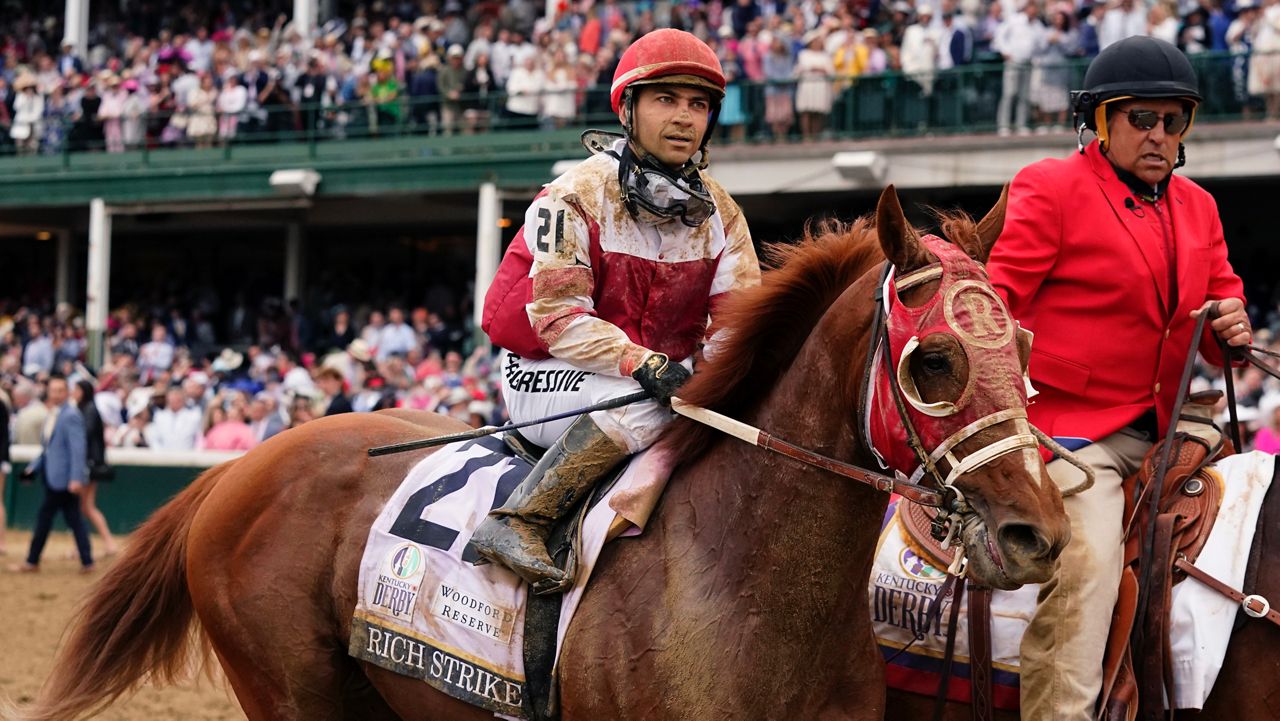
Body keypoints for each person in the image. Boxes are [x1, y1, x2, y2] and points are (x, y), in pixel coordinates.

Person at [985, 37, 1249, 721]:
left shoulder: (1200, 208)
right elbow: (995, 307)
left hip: (1170, 424)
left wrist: (1234, 325)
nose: (1159, 135)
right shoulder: (1049, 186)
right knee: (1090, 567)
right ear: (1101, 122)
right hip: (1070, 428)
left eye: (1174, 121)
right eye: (1141, 119)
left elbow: (1221, 319)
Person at [475, 29, 761, 592]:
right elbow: (555, 318)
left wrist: (721, 375)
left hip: (659, 377)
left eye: (698, 105)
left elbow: (737, 319)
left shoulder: (723, 212)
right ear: (627, 109)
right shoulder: (573, 194)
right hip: (550, 371)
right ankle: (518, 520)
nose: (684, 118)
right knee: (656, 408)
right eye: (666, 100)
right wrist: (641, 363)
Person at [11, 376, 93, 573]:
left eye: (60, 390)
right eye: (53, 390)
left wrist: (75, 477)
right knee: (73, 519)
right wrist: (33, 469)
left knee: (46, 518)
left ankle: (32, 560)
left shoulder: (70, 415)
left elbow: (78, 449)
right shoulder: (53, 415)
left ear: (67, 393)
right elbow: (48, 450)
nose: (55, 394)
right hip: (54, 478)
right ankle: (87, 561)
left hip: (63, 481)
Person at [73, 379, 118, 557]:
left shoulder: (89, 410)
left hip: (89, 465)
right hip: (91, 464)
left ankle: (108, 543)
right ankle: (84, 545)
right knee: (85, 507)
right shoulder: (87, 409)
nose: (73, 393)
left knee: (86, 507)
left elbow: (84, 435)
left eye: (76, 389)